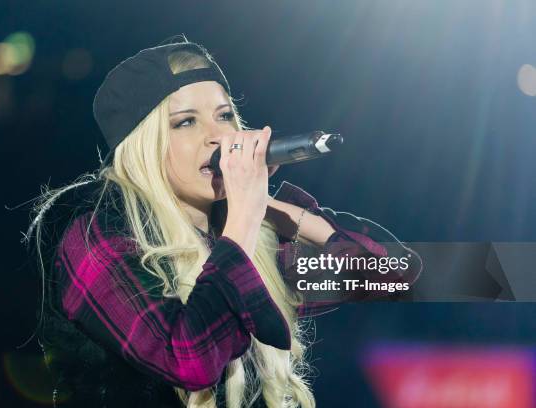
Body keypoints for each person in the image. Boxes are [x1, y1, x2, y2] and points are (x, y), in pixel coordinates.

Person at [23, 37, 421, 408]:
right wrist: (245, 219)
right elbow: (189, 361)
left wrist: (268, 205)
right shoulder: (94, 235)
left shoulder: (247, 235)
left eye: (225, 115)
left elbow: (394, 275)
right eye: (186, 122)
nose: (217, 137)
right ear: (144, 144)